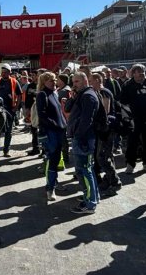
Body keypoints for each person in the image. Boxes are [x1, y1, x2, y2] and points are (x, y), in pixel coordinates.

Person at [64, 72, 100, 214]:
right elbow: (67, 108)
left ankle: (90, 203)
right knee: (83, 170)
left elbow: (87, 120)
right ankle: (92, 198)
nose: (74, 84)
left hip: (84, 139)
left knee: (85, 171)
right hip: (80, 138)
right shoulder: (81, 94)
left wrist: (79, 136)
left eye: (77, 81)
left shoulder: (88, 96)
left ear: (85, 81)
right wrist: (73, 97)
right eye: (73, 82)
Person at [35, 71, 66, 202]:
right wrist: (55, 125)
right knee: (52, 159)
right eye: (51, 80)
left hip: (59, 131)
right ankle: (50, 188)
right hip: (51, 133)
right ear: (44, 82)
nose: (54, 82)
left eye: (55, 80)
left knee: (56, 158)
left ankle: (53, 183)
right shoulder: (42, 94)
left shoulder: (54, 93)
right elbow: (42, 115)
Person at [122, 64, 146, 173]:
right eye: (137, 73)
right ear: (133, 74)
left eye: (141, 73)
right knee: (132, 142)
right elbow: (123, 101)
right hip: (133, 118)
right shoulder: (127, 85)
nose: (139, 75)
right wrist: (127, 117)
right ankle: (130, 164)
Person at [90, 72, 119, 190]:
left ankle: (114, 181)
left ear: (97, 80)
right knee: (105, 156)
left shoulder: (104, 92)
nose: (90, 83)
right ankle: (108, 179)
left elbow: (105, 111)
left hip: (106, 129)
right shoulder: (98, 92)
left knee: (103, 157)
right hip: (102, 128)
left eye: (91, 81)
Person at [0, 63, 22, 157]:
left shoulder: (14, 82)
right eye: (2, 72)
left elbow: (20, 95)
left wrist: (16, 108)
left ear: (9, 72)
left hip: (10, 110)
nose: (3, 74)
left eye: (5, 72)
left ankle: (6, 150)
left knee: (8, 131)